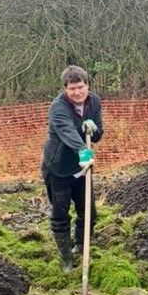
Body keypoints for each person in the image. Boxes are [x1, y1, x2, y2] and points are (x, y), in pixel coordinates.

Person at [41, 65, 104, 271]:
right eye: (72, 88)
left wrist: (93, 129)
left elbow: (98, 133)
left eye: (81, 86)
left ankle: (80, 247)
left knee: (89, 212)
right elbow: (67, 131)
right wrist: (84, 152)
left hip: (82, 169)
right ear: (64, 89)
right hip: (58, 168)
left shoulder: (94, 101)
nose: (77, 92)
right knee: (61, 214)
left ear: (87, 85)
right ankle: (66, 257)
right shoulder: (58, 107)